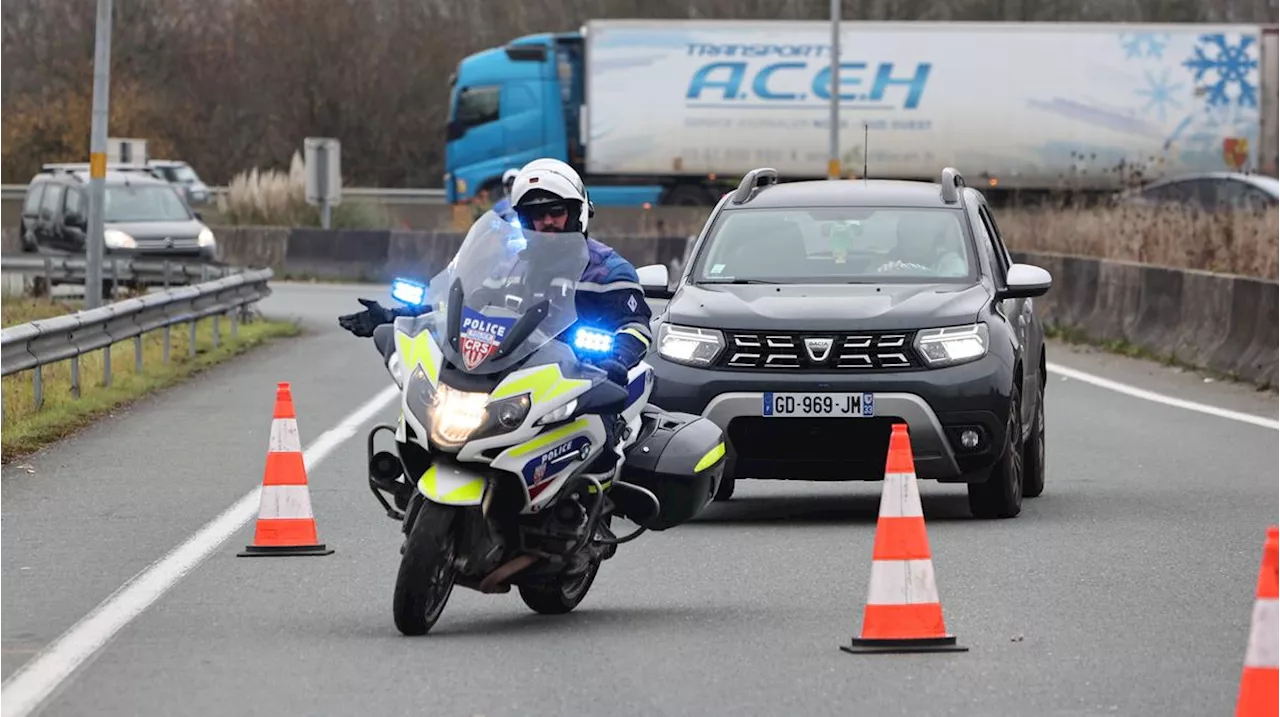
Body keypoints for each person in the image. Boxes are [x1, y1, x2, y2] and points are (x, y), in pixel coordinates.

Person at [338, 158, 653, 480]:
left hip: (578, 382)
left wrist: (617, 359)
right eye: (535, 215)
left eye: (555, 212)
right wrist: (395, 316)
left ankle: (588, 505)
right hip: (512, 380)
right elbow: (461, 307)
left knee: (597, 457)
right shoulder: (510, 266)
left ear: (577, 212)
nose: (546, 222)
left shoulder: (608, 270)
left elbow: (637, 327)